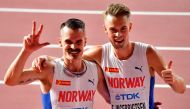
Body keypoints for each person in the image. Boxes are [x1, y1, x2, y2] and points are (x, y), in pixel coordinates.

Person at [32, 3, 186, 109]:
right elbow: (70, 56)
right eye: (113, 29)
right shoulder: (100, 54)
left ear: (130, 27)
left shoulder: (147, 53)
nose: (118, 34)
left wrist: (173, 80)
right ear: (105, 30)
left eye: (123, 28)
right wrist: (47, 59)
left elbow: (181, 89)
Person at [4, 19, 110, 109]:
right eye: (68, 42)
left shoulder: (95, 70)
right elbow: (10, 81)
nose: (73, 47)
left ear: (85, 42)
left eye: (78, 42)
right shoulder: (49, 70)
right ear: (60, 42)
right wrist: (26, 51)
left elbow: (111, 98)